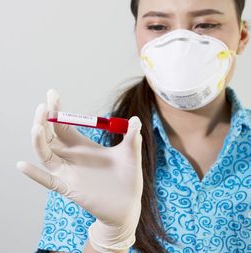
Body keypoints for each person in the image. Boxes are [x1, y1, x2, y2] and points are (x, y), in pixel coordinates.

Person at [17, 0, 251, 252]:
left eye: (206, 24)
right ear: (137, 36)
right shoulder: (90, 149)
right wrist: (107, 240)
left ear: (242, 35)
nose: (181, 47)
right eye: (158, 26)